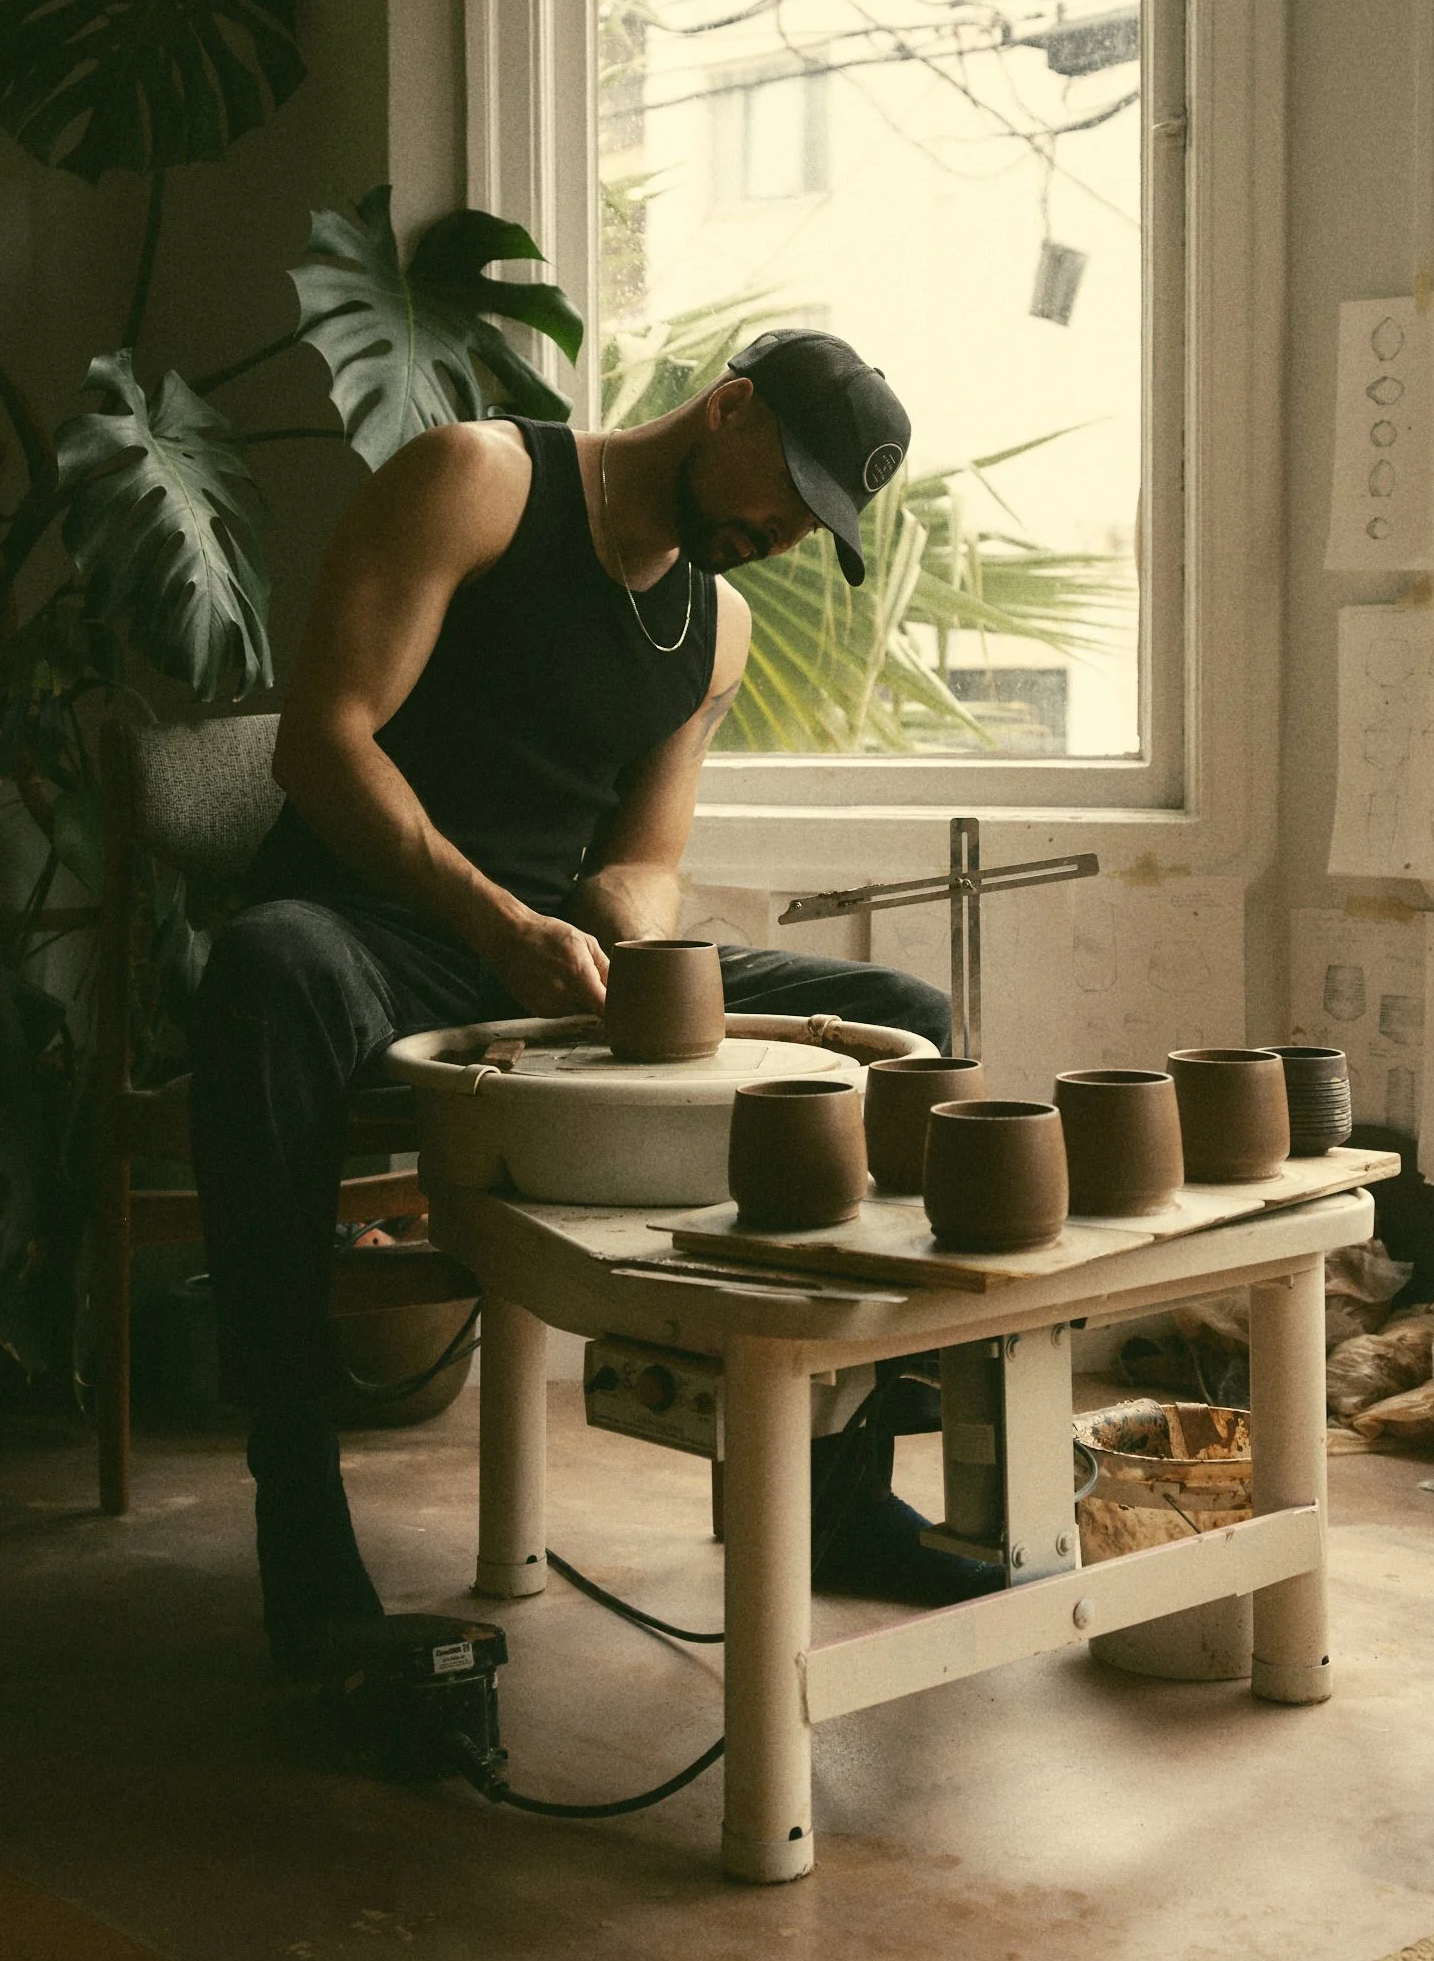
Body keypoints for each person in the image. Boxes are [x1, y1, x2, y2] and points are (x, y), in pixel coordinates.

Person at [189, 329, 992, 1672]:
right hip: (374, 929)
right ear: (728, 405)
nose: (786, 533)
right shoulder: (479, 481)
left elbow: (642, 858)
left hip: (540, 963)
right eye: (785, 488)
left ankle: (840, 1498)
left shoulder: (715, 625)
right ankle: (302, 1516)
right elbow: (321, 743)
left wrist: (627, 942)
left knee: (906, 1018)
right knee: (266, 971)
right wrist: (498, 923)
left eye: (817, 523)